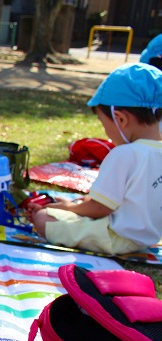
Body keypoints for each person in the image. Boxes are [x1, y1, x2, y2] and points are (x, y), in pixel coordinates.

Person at [27, 63, 162, 255]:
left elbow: (100, 208)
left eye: (103, 124)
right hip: (148, 236)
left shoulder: (125, 154)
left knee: (43, 217)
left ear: (120, 119)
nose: (106, 132)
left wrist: (68, 208)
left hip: (116, 238)